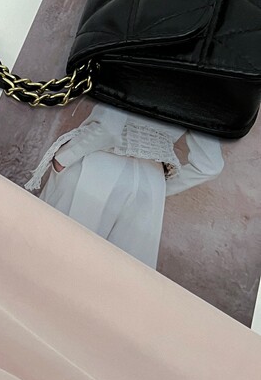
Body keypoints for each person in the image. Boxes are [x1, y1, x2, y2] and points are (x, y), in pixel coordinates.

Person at [25, 103, 225, 268]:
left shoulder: (136, 63)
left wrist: (65, 156)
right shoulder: (208, 84)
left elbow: (109, 128)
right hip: (151, 182)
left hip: (99, 166)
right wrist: (159, 189)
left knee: (52, 260)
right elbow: (210, 166)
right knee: (119, 281)